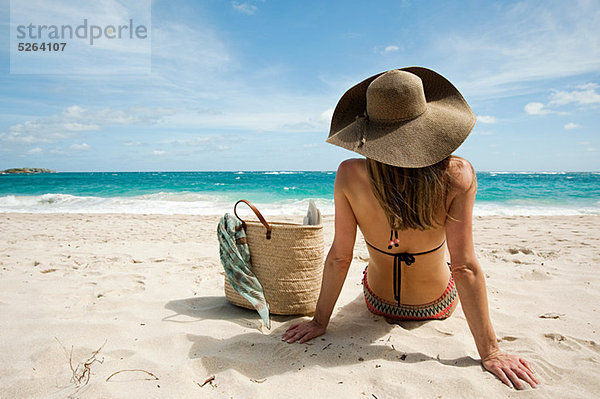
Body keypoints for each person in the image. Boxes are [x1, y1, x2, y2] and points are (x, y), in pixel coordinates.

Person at [282, 67, 539, 390]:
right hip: (437, 305)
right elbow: (465, 267)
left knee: (371, 268)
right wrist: (491, 352)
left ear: (368, 130)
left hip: (378, 301)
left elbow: (340, 258)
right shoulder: (458, 175)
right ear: (429, 124)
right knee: (448, 265)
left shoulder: (348, 174)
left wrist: (320, 322)